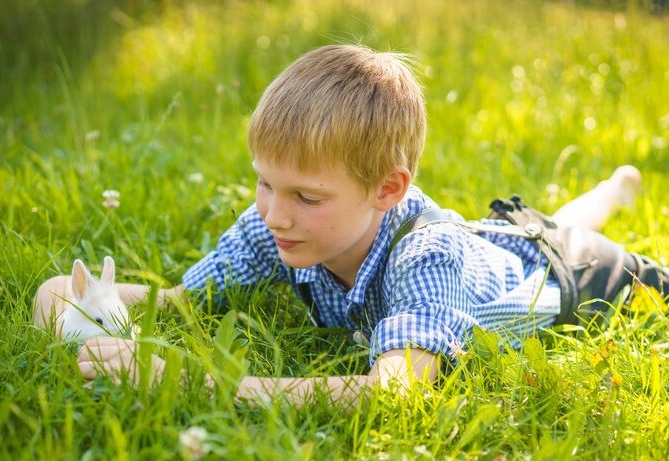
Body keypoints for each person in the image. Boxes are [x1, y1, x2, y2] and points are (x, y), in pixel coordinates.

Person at [33, 45, 668, 405]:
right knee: (551, 221)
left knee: (571, 242)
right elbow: (178, 302)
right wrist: (75, 299)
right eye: (264, 183)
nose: (273, 213)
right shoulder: (278, 223)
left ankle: (615, 196)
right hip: (495, 239)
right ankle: (616, 188)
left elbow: (394, 392)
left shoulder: (426, 257)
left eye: (307, 197)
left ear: (387, 189)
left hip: (585, 275)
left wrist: (191, 382)